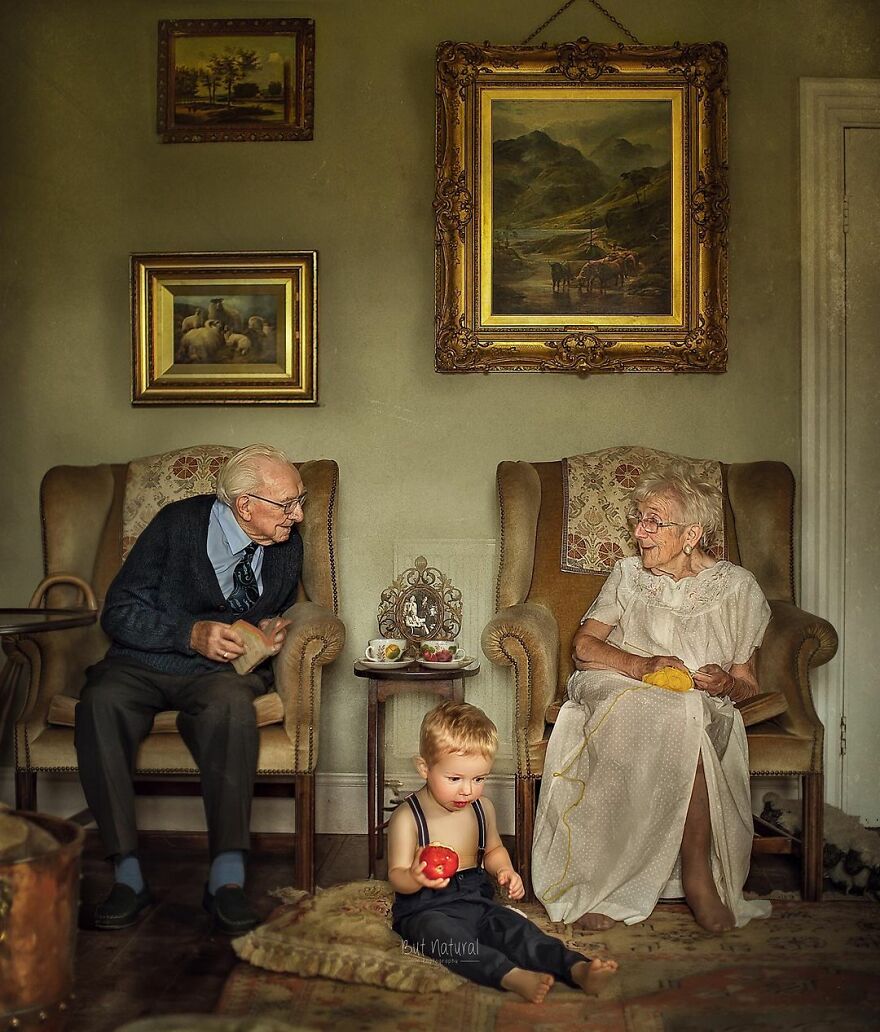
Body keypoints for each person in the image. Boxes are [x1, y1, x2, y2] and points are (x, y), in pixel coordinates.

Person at [74, 444, 306, 933]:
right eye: (288, 504)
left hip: (217, 675)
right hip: (144, 661)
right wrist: (189, 633)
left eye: (299, 502)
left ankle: (226, 878)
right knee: (100, 701)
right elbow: (119, 612)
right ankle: (127, 875)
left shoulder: (287, 543)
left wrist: (265, 631)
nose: (298, 515)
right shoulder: (177, 524)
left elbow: (270, 606)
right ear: (246, 505)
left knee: (232, 707)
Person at [532, 465, 772, 934]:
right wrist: (643, 666)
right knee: (669, 711)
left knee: (686, 711)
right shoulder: (628, 575)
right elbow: (584, 648)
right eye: (638, 520)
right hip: (618, 681)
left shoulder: (738, 588)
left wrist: (725, 683)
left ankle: (698, 876)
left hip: (696, 701)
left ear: (691, 535)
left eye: (653, 522)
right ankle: (602, 882)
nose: (639, 533)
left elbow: (748, 683)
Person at [388, 701, 618, 1004]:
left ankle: (576, 968)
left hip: (476, 901)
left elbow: (493, 849)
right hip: (426, 908)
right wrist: (416, 876)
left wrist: (504, 870)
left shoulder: (481, 809)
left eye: (479, 779)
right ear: (424, 768)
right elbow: (396, 875)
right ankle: (510, 976)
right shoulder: (408, 817)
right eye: (455, 779)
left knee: (519, 930)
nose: (467, 790)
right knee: (445, 940)